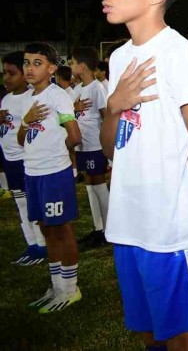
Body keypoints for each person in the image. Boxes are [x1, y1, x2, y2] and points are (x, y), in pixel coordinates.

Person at [99, 0, 188, 349]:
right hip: (127, 222)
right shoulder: (120, 57)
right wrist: (114, 105)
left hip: (169, 229)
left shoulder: (176, 52)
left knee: (183, 336)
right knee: (151, 332)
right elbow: (112, 149)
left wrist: (169, 172)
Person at [18, 42, 83, 312]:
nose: (29, 68)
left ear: (52, 68)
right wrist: (26, 121)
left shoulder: (58, 96)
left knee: (61, 230)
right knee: (46, 228)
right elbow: (21, 140)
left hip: (54, 173)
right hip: (32, 172)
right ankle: (57, 285)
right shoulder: (26, 98)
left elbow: (75, 136)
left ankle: (71, 288)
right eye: (26, 62)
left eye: (37, 63)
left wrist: (56, 153)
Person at [0, 50, 48, 266]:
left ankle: (42, 244)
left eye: (11, 73)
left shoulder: (30, 99)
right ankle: (32, 243)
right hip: (9, 159)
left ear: (24, 73)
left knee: (30, 203)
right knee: (20, 202)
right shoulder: (6, 99)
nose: (6, 78)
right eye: (4, 73)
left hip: (25, 159)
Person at [69, 46, 110, 249]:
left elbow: (106, 116)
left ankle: (109, 229)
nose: (70, 66)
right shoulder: (78, 89)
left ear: (82, 66)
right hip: (82, 144)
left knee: (98, 183)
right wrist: (73, 108)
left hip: (95, 143)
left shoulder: (97, 88)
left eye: (73, 63)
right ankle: (97, 228)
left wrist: (107, 147)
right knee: (89, 184)